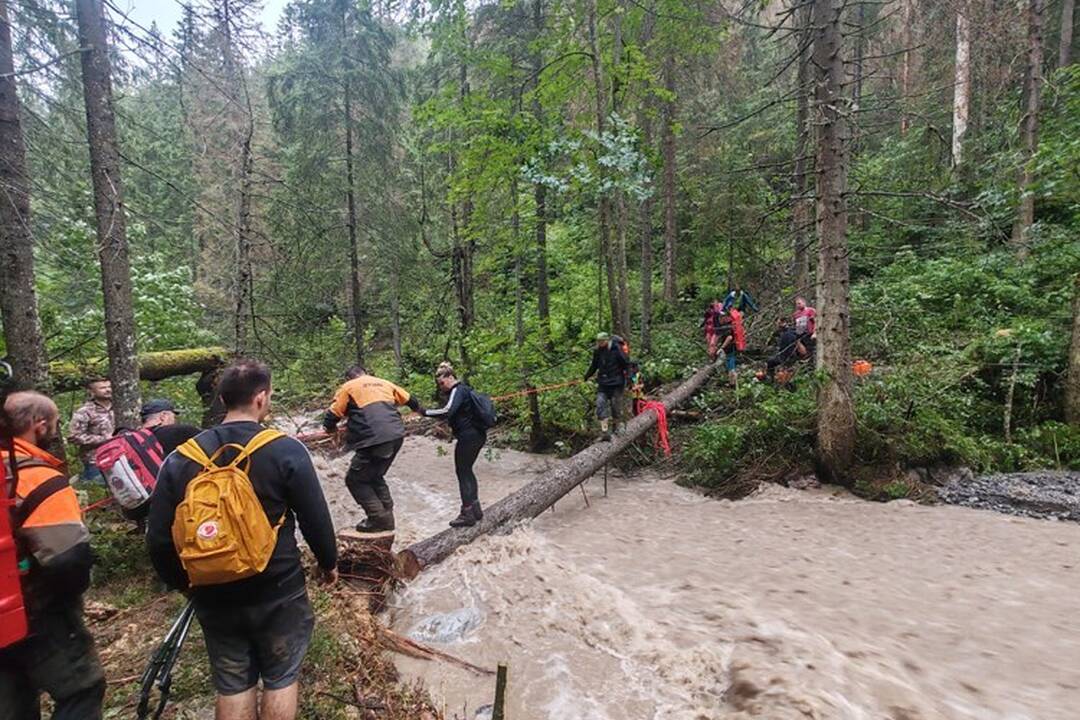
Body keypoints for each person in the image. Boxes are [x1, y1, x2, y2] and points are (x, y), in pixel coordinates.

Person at [147, 360, 338, 720]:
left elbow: (158, 539)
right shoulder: (285, 448)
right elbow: (316, 518)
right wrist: (329, 563)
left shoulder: (180, 458)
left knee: (233, 682)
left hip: (212, 590)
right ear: (262, 398)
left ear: (221, 399)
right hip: (278, 586)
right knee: (280, 677)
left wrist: (186, 583)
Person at [0, 391, 105, 720]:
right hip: (39, 611)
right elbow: (67, 559)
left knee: (12, 703)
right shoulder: (42, 480)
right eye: (55, 424)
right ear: (39, 425)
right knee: (82, 689)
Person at [323, 365, 422, 533]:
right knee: (375, 475)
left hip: (373, 438)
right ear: (365, 373)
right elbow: (413, 402)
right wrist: (417, 412)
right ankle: (387, 516)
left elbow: (333, 414)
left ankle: (378, 518)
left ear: (349, 378)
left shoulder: (348, 387)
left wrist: (331, 429)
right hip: (396, 435)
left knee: (355, 480)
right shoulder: (384, 383)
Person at [421, 365, 488, 528]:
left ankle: (467, 513)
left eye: (442, 383)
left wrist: (424, 412)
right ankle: (476, 509)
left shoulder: (458, 390)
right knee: (467, 470)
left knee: (462, 471)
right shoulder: (466, 389)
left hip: (468, 436)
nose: (441, 387)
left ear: (450, 377)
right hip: (478, 435)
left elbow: (447, 411)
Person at [584, 332, 629, 440]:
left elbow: (626, 364)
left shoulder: (616, 349)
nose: (599, 343)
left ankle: (618, 427)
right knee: (600, 404)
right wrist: (586, 376)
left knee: (615, 406)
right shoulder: (597, 352)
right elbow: (594, 365)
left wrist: (629, 378)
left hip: (616, 383)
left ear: (607, 341)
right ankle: (605, 432)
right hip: (603, 383)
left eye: (601, 341)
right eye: (598, 342)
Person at [68, 378, 114, 484]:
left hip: (121, 456)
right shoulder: (85, 411)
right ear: (92, 391)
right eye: (102, 388)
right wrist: (105, 439)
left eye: (109, 387)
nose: (108, 390)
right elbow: (74, 436)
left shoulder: (120, 407)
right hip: (95, 460)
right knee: (100, 491)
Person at [766, 317, 800, 381]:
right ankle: (771, 378)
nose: (778, 325)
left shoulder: (790, 332)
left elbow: (791, 347)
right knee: (770, 361)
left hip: (788, 356)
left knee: (785, 373)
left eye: (779, 323)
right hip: (781, 354)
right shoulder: (779, 332)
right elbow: (771, 343)